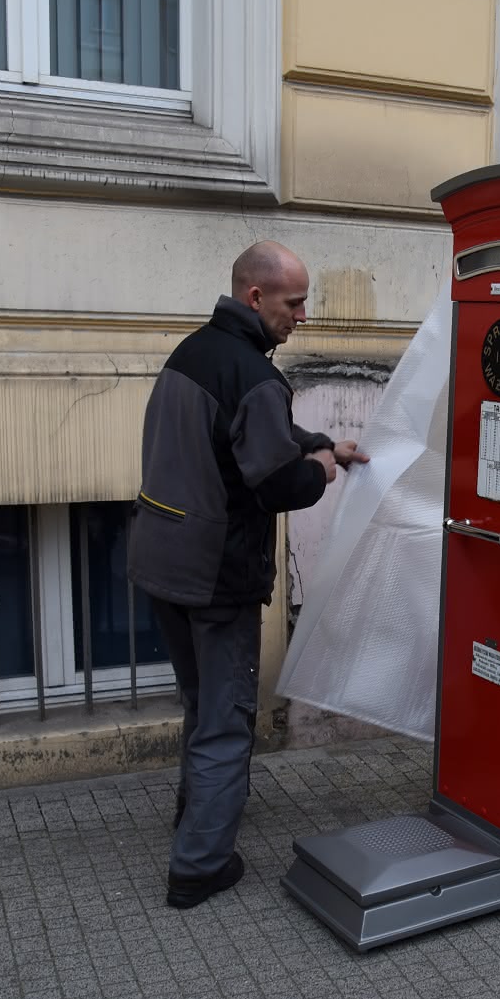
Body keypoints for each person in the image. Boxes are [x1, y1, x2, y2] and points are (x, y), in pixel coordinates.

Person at [127, 241, 368, 909]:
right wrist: (321, 470)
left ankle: (195, 814)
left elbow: (243, 437)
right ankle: (200, 865)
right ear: (256, 297)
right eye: (295, 303)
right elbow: (275, 484)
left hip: (160, 556)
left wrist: (322, 444)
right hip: (215, 573)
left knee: (202, 701)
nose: (302, 316)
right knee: (228, 718)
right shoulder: (256, 375)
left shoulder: (195, 352)